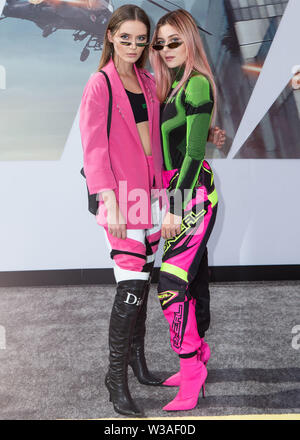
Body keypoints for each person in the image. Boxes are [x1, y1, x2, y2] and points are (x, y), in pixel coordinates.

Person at [80, 4, 225, 417]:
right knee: (131, 284)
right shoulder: (100, 84)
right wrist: (108, 198)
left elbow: (172, 138)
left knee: (147, 281)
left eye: (142, 39)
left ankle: (139, 363)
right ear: (110, 36)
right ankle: (116, 378)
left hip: (156, 196)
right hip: (122, 199)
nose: (136, 45)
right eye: (126, 37)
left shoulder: (149, 80)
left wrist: (205, 131)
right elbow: (93, 148)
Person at [149, 9, 220, 411]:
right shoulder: (174, 84)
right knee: (187, 282)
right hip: (177, 192)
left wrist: (174, 205)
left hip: (192, 193)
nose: (165, 49)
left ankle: (192, 370)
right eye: (160, 43)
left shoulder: (195, 84)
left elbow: (193, 154)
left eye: (174, 41)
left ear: (190, 40)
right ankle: (198, 357)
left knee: (171, 284)